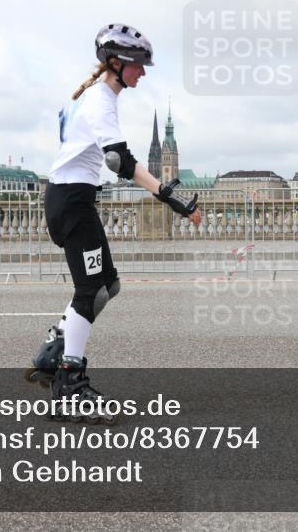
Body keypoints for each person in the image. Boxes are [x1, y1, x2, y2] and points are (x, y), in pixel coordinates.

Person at [28, 24, 202, 420]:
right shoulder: (100, 100)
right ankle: (69, 383)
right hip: (72, 200)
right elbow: (118, 160)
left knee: (108, 284)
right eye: (139, 65)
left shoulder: (89, 96)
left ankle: (54, 349)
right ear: (116, 63)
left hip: (72, 196)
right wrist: (167, 195)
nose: (143, 72)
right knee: (90, 291)